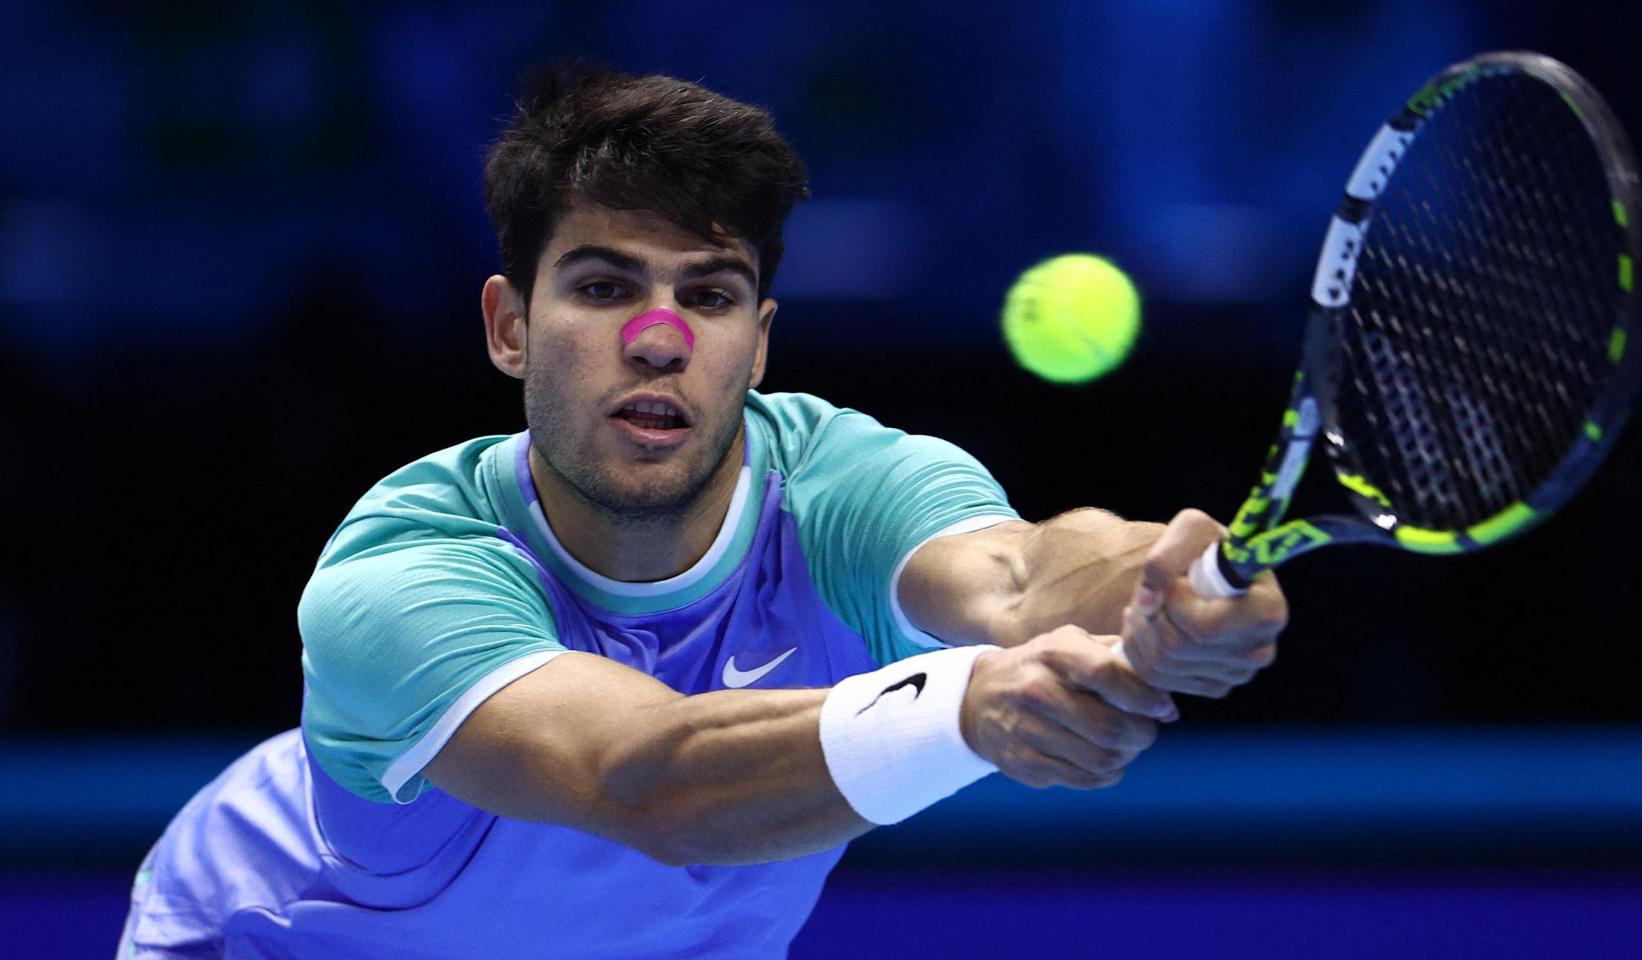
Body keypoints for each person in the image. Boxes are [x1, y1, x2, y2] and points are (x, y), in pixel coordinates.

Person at [118, 66, 1286, 960]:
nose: (660, 336)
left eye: (709, 294)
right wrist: (962, 709)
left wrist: (1158, 586)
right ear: (509, 327)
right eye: (603, 285)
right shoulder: (404, 570)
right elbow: (647, 780)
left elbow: (1022, 577)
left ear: (757, 343)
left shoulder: (837, 483)